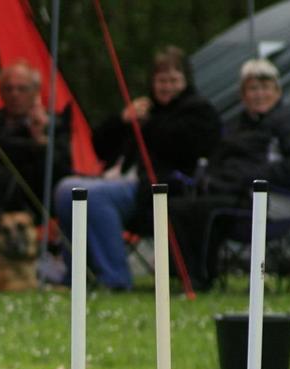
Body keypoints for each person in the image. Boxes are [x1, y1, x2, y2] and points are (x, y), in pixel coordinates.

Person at [54, 46, 221, 290]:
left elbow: (184, 147)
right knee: (66, 189)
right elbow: (100, 147)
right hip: (119, 179)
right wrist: (122, 121)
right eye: (161, 80)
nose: (167, 87)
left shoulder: (199, 111)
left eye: (174, 80)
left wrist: (148, 124)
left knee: (94, 197)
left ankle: (116, 279)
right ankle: (77, 277)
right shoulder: (143, 110)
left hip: (158, 190)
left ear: (186, 81)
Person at [170, 58, 290, 288]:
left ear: (277, 90)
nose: (259, 94)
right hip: (231, 193)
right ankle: (183, 275)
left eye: (265, 87)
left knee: (206, 209)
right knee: (178, 206)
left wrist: (248, 179)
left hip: (272, 199)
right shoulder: (236, 126)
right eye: (252, 88)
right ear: (243, 94)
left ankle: (200, 278)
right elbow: (217, 161)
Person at [0, 59, 71, 222]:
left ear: (36, 92)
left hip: (32, 208)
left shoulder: (54, 125)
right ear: (1, 93)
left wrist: (41, 140)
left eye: (22, 89)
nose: (14, 94)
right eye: (8, 89)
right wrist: (30, 148)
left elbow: (61, 171)